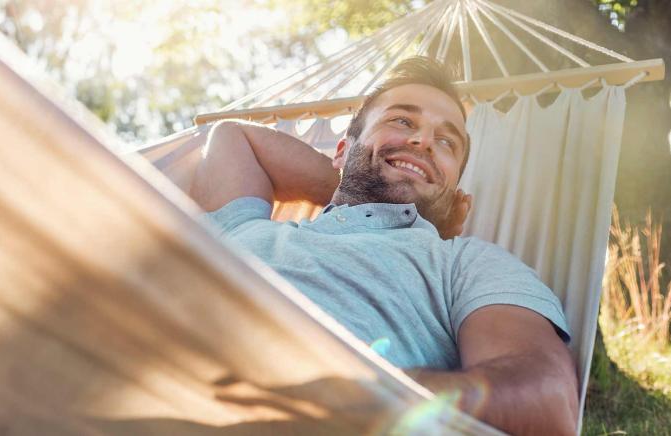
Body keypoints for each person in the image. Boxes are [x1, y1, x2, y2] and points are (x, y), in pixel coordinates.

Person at [191, 57, 578, 435]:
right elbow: (231, 135)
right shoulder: (247, 230)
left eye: (446, 142)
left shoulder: (465, 263)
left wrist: (359, 396)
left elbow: (548, 403)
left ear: (454, 185)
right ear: (341, 150)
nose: (423, 141)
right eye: (402, 120)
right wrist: (360, 186)